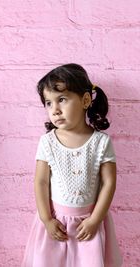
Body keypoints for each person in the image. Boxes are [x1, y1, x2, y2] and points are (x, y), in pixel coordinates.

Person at [21, 63, 122, 267]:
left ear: (85, 100)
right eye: (48, 103)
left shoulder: (101, 142)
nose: (55, 110)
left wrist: (95, 220)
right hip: (56, 224)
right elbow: (40, 182)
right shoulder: (47, 142)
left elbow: (109, 183)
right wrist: (46, 219)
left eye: (62, 100)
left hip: (89, 224)